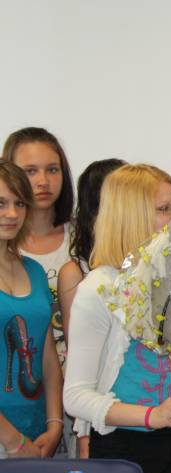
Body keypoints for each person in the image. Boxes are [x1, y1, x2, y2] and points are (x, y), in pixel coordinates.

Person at [63, 164, 171, 473]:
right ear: (132, 216)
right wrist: (151, 415)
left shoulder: (168, 280)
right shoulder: (97, 289)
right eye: (164, 209)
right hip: (125, 446)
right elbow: (75, 397)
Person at [57, 158, 127, 459]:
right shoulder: (80, 273)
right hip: (98, 416)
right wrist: (85, 433)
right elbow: (83, 359)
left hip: (132, 413)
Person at [0, 160, 63, 458]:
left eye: (20, 204)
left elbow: (48, 354)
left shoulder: (35, 271)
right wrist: (12, 440)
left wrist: (55, 424)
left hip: (36, 430)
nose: (12, 214)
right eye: (1, 203)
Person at [2, 128, 75, 367]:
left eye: (52, 169)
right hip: (21, 376)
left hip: (81, 378)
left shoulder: (85, 240)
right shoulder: (6, 249)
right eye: (30, 171)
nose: (43, 181)